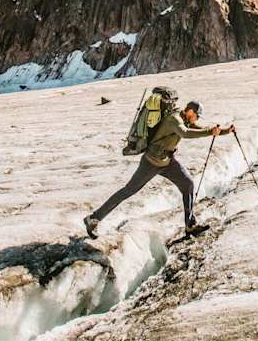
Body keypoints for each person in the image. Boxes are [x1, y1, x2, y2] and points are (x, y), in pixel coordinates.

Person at [85, 101, 233, 239]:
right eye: (197, 115)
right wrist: (210, 132)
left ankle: (190, 225)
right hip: (151, 162)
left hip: (167, 161)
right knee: (128, 191)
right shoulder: (174, 119)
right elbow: (185, 133)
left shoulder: (185, 120)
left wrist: (225, 131)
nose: (197, 118)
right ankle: (93, 218)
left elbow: (199, 129)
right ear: (190, 111)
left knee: (187, 184)